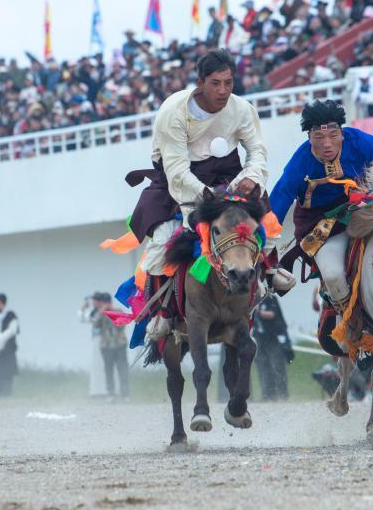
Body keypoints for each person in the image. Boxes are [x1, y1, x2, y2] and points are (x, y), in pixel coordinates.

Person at [103, 49, 269, 340]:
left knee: (267, 227)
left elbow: (257, 151)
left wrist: (250, 178)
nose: (223, 91)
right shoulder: (174, 111)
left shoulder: (242, 109)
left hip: (228, 180)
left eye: (228, 83)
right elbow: (177, 169)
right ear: (200, 82)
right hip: (176, 185)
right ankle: (161, 313)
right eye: (215, 83)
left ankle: (267, 278)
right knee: (161, 246)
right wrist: (206, 195)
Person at [267, 99, 373, 355]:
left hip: (364, 213)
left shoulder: (359, 141)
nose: (327, 143)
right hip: (322, 226)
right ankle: (354, 325)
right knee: (333, 275)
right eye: (318, 136)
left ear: (342, 133)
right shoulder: (299, 163)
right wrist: (261, 241)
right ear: (309, 136)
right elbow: (277, 204)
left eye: (333, 135)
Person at [89, 292, 129, 398]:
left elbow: (122, 324)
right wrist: (101, 312)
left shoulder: (118, 311)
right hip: (106, 347)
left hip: (120, 345)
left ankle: (125, 394)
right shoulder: (100, 314)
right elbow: (94, 325)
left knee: (122, 369)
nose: (105, 304)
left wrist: (112, 312)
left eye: (106, 302)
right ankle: (110, 393)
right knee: (108, 371)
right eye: (103, 302)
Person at [253, 294, 293, 401]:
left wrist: (258, 311)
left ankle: (283, 395)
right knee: (263, 367)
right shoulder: (253, 298)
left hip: (274, 337)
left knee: (277, 366)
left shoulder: (270, 298)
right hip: (259, 338)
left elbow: (272, 314)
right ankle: (267, 395)